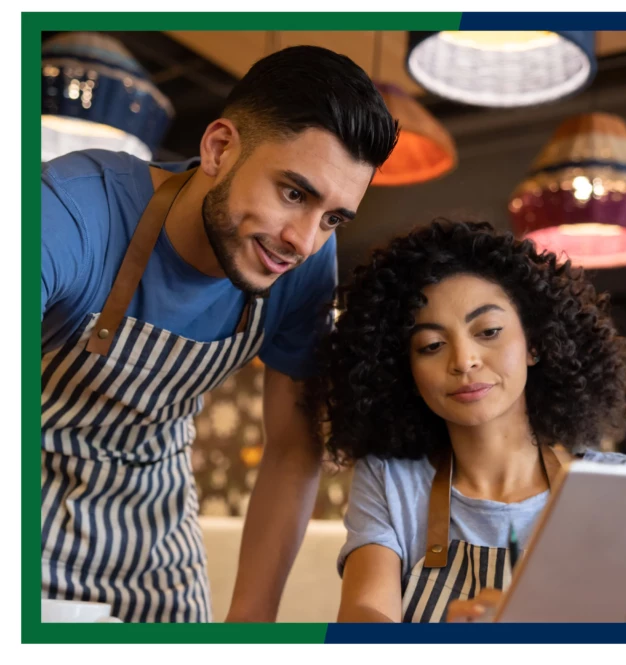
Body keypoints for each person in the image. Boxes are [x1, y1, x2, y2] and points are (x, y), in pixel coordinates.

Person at [40, 44, 399, 623]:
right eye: (293, 193)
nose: (304, 241)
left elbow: (291, 447)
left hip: (155, 549)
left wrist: (250, 627)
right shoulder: (67, 210)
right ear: (219, 148)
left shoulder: (306, 264)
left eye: (332, 217)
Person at [306, 220, 626, 624]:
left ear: (535, 346)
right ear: (403, 368)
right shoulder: (391, 479)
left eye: (488, 332)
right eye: (430, 345)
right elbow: (364, 617)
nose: (464, 361)